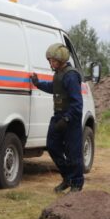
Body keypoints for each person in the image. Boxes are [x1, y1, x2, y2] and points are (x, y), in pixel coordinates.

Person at [30, 43, 84, 192]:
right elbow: (53, 88)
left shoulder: (71, 76)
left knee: (74, 154)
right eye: (49, 61)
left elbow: (77, 104)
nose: (51, 63)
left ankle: (77, 185)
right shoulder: (58, 74)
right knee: (52, 146)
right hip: (58, 117)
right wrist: (37, 83)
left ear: (61, 60)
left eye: (53, 61)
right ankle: (68, 178)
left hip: (70, 119)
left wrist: (66, 119)